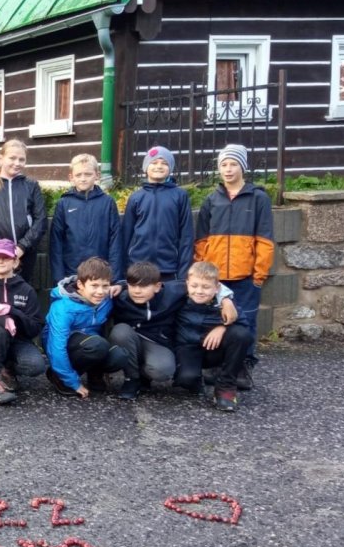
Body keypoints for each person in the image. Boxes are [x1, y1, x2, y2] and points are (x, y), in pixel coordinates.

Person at [193, 143, 273, 390]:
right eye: (224, 165)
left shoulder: (258, 198)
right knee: (215, 319)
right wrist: (203, 271)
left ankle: (242, 367)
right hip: (215, 277)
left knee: (245, 321)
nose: (228, 170)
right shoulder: (211, 200)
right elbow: (202, 240)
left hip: (245, 275)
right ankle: (218, 364)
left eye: (233, 164)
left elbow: (265, 239)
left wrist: (259, 274)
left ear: (243, 167)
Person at [109, 260, 239, 401]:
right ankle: (132, 380)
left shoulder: (173, 291)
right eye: (133, 286)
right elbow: (96, 291)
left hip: (156, 340)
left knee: (162, 371)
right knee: (120, 332)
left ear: (158, 286)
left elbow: (205, 283)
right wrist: (119, 285)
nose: (137, 291)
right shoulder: (120, 297)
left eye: (144, 286)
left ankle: (144, 375)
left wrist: (226, 299)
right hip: (129, 337)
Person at [0, 238, 46, 405]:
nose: (1, 261)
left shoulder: (26, 290)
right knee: (0, 327)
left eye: (5, 257)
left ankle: (7, 370)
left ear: (15, 262)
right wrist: (1, 319)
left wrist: (13, 312)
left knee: (36, 366)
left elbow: (35, 327)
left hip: (19, 341)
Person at [174, 261, 253, 413]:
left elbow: (244, 327)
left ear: (217, 288)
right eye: (194, 286)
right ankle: (198, 376)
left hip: (213, 350)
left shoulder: (225, 303)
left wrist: (223, 327)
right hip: (187, 347)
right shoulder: (178, 297)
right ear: (187, 284)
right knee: (187, 380)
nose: (199, 291)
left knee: (240, 335)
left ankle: (226, 386)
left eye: (206, 287)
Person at [43, 256, 127, 398]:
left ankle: (95, 374)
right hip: (65, 347)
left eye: (105, 286)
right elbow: (56, 347)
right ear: (80, 285)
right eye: (94, 285)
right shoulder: (63, 307)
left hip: (92, 343)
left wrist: (122, 285)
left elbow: (134, 287)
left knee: (119, 356)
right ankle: (58, 376)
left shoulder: (105, 299)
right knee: (98, 345)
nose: (100, 291)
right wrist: (73, 382)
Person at [0, 140, 48, 285]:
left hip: (25, 254)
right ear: (0, 158)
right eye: (12, 158)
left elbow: (41, 219)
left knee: (22, 292)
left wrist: (22, 247)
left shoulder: (31, 185)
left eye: (21, 159)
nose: (17, 163)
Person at [49, 153, 124, 286]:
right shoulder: (64, 203)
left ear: (97, 175)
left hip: (101, 273)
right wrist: (58, 278)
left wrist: (114, 278)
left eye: (88, 174)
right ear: (71, 177)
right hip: (72, 273)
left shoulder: (107, 202)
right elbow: (56, 242)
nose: (83, 179)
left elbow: (115, 240)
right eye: (78, 175)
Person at [121, 145, 193, 281]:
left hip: (169, 267)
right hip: (139, 267)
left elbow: (186, 236)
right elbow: (126, 235)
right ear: (146, 168)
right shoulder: (136, 197)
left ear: (170, 168)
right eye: (154, 162)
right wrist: (124, 270)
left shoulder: (180, 196)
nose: (159, 166)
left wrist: (183, 274)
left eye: (164, 163)